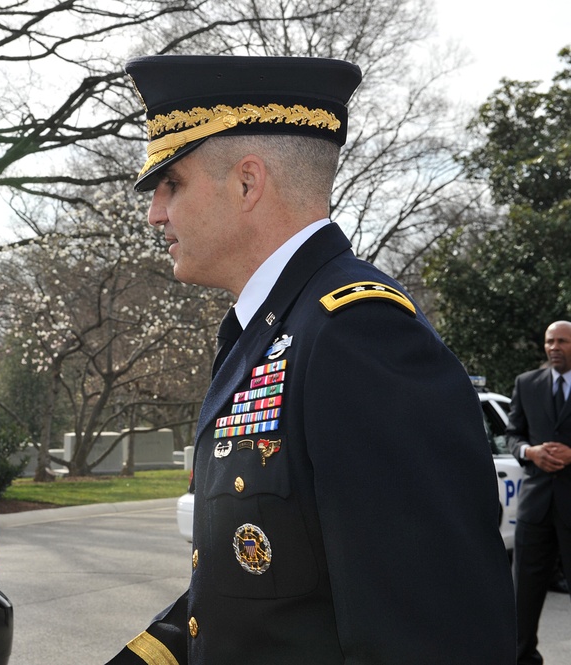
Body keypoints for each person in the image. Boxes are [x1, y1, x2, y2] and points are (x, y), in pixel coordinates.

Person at [106, 55, 516, 664]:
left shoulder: (355, 333)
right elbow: (254, 593)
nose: (155, 212)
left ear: (248, 183)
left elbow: (430, 631)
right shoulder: (270, 328)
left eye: (172, 185)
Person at [506, 320, 571, 664]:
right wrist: (530, 453)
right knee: (524, 600)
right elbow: (512, 435)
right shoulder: (526, 384)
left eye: (562, 341)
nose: (554, 347)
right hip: (536, 509)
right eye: (550, 342)